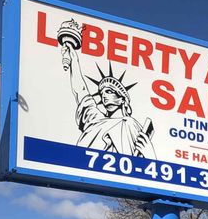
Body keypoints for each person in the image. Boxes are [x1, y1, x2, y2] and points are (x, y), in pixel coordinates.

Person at [60, 29, 156, 158]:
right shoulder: (96, 120)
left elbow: (143, 167)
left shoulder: (129, 124)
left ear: (122, 99)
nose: (104, 95)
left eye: (109, 91)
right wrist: (74, 60)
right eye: (101, 92)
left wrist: (150, 155)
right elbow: (80, 91)